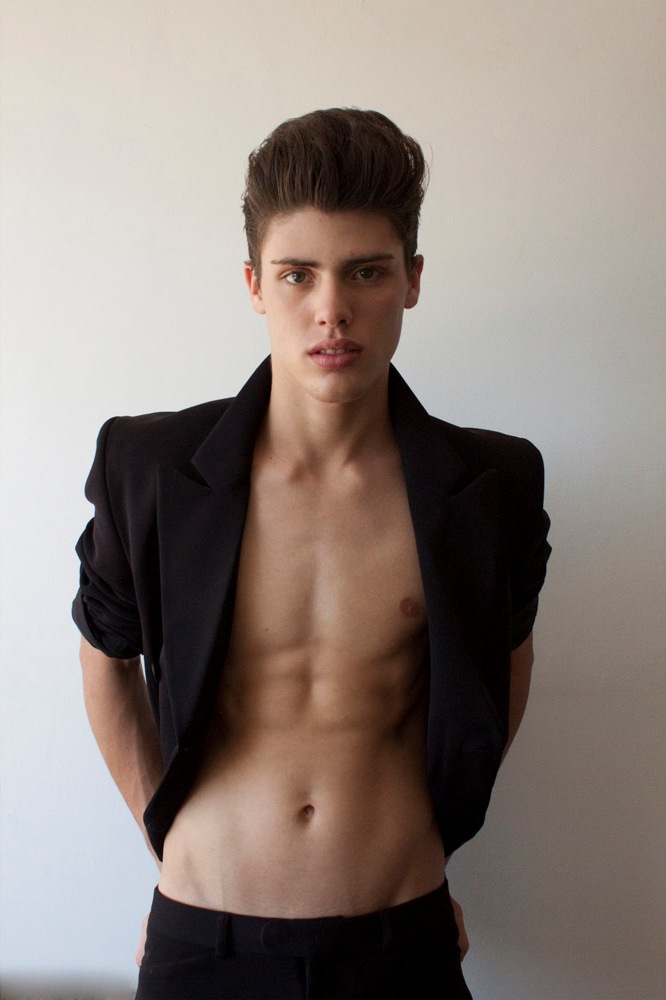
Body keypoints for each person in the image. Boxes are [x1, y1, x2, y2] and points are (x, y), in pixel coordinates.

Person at [73, 108, 550, 1000]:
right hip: (202, 936)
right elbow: (106, 660)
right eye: (299, 274)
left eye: (366, 271)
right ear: (255, 284)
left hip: (401, 932)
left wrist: (432, 841)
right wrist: (165, 841)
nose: (332, 310)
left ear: (411, 279)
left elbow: (503, 667)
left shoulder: (493, 485)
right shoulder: (150, 468)